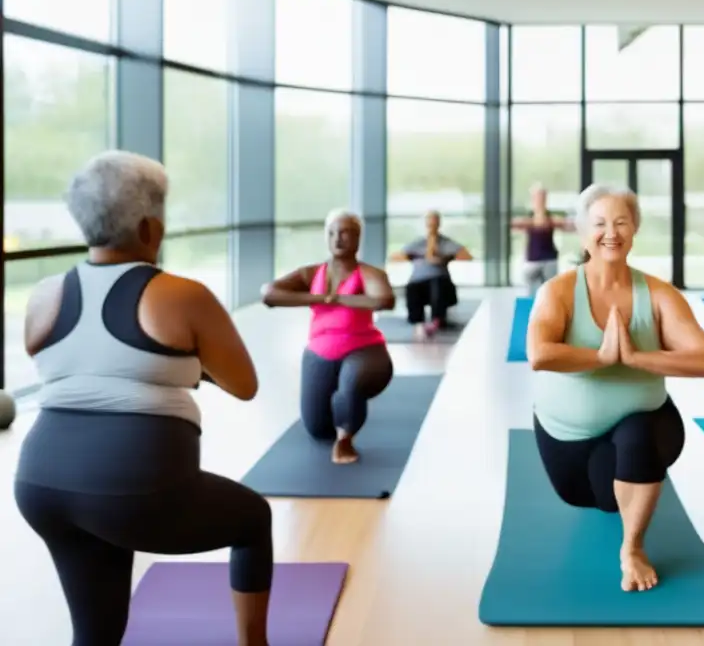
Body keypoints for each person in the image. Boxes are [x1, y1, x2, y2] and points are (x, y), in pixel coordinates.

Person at [13, 151, 273, 646]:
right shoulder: (181, 294)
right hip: (134, 490)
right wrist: (188, 362)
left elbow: (80, 362)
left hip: (41, 485)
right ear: (150, 228)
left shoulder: (46, 293)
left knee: (96, 633)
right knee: (252, 518)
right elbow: (244, 384)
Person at [526, 184, 704, 593]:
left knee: (639, 433)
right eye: (599, 224)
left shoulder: (659, 294)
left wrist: (636, 359)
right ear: (582, 233)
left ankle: (632, 548)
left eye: (621, 223)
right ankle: (619, 491)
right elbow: (539, 354)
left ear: (634, 230)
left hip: (646, 423)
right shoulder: (558, 291)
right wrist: (600, 357)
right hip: (568, 439)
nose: (610, 232)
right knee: (598, 497)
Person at [261, 210, 396, 463]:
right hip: (319, 352)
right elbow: (269, 294)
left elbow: (383, 299)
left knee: (351, 383)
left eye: (345, 232)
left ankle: (345, 439)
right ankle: (336, 424)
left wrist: (339, 298)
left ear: (357, 238)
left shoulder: (368, 273)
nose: (338, 239)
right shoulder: (311, 274)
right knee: (318, 430)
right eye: (332, 233)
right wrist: (320, 298)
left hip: (365, 350)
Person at [388, 210, 473, 340]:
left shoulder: (446, 243)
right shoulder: (418, 243)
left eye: (434, 221)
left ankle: (437, 320)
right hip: (418, 282)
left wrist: (444, 257)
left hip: (439, 280)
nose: (432, 224)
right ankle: (417, 321)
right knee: (412, 287)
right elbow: (395, 256)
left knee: (437, 283)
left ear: (439, 223)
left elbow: (467, 256)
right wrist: (415, 256)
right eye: (430, 221)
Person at [511, 183, 574, 295]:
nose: (540, 200)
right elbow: (514, 225)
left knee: (551, 292)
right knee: (532, 293)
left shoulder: (550, 219)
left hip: (549, 259)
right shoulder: (529, 219)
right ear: (532, 199)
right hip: (533, 260)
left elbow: (567, 226)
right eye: (537, 197)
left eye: (542, 197)